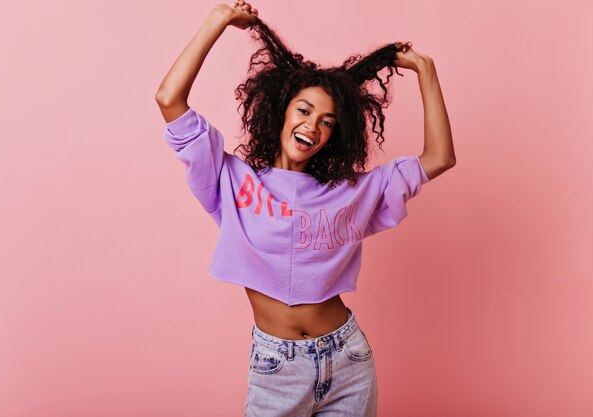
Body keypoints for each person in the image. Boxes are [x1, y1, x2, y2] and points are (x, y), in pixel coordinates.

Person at [155, 1, 455, 416]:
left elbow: (439, 158)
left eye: (328, 121)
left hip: (348, 358)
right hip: (276, 367)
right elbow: (169, 98)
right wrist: (219, 19)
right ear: (281, 111)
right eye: (304, 110)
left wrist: (427, 71)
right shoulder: (231, 180)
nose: (313, 127)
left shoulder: (351, 193)